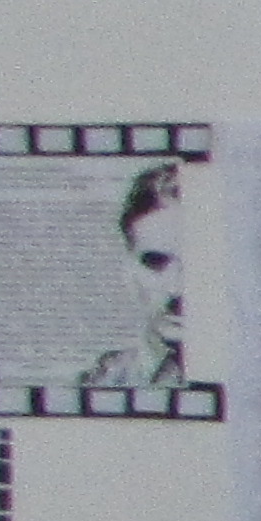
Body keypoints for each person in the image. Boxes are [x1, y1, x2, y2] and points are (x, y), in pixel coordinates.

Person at [77, 160, 184, 391]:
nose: (176, 288)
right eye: (155, 261)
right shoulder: (102, 384)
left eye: (197, 266)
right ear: (129, 271)